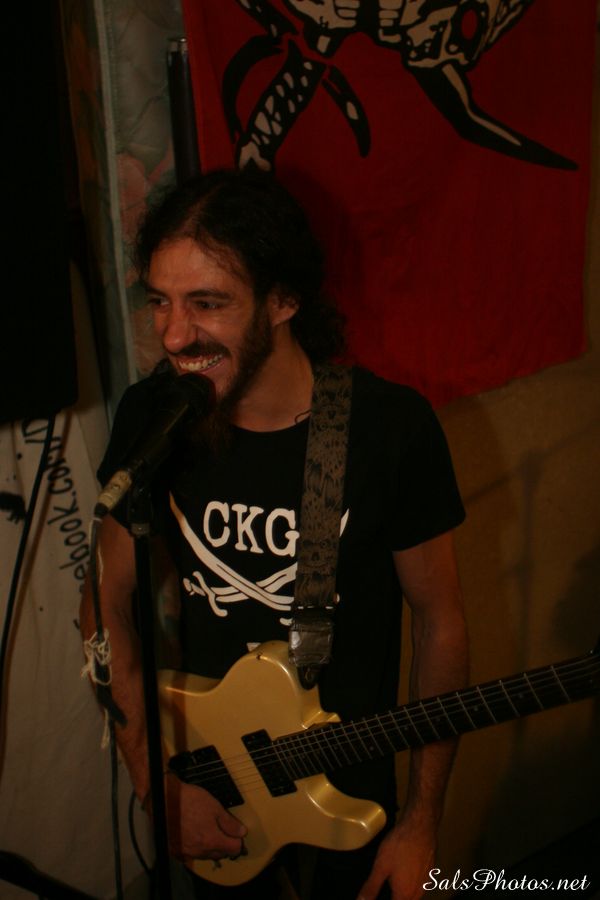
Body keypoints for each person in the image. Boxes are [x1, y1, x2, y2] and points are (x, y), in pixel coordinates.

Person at [81, 167, 468, 900]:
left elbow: (439, 623)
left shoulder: (388, 429)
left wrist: (421, 822)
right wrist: (156, 785)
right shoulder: (152, 418)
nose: (173, 335)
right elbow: (103, 604)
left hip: (353, 796)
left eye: (207, 304)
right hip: (210, 788)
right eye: (160, 301)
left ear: (284, 300)